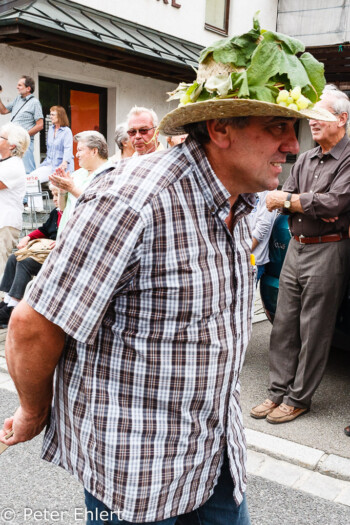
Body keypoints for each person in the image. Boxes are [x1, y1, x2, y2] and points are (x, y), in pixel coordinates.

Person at [0, 20, 335, 525]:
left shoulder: (239, 201)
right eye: (277, 127)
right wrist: (33, 411)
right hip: (137, 474)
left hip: (214, 454)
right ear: (220, 129)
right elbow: (34, 324)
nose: (293, 145)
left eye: (296, 128)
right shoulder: (132, 200)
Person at [251, 85, 350, 425]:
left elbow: (335, 204)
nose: (311, 121)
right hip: (297, 245)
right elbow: (282, 200)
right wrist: (306, 203)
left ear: (342, 119)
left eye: (320, 116)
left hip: (329, 249)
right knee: (283, 326)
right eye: (310, 116)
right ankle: (277, 391)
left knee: (315, 329)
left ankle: (298, 399)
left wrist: (293, 201)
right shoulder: (306, 158)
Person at [0, 185, 61, 328]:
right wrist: (27, 237)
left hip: (56, 256)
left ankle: (13, 306)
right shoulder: (55, 212)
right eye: (53, 196)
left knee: (25, 262)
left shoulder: (69, 213)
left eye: (57, 196)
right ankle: (7, 298)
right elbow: (44, 230)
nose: (55, 200)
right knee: (15, 257)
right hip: (45, 251)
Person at [49, 130, 115, 237]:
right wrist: (62, 190)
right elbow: (62, 208)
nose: (76, 154)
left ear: (94, 151)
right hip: (67, 236)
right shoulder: (78, 173)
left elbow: (100, 206)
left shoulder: (111, 173)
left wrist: (72, 189)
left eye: (80, 150)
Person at [0, 122, 30, 277]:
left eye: (1, 137)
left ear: (12, 145)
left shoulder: (13, 166)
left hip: (5, 223)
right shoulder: (5, 163)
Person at [0, 76, 43, 174]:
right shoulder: (17, 100)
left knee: (28, 172)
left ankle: (32, 190)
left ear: (28, 88)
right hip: (13, 142)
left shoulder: (35, 103)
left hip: (24, 143)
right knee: (13, 170)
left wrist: (23, 137)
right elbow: (3, 111)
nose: (17, 87)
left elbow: (40, 125)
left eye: (20, 85)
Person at [30, 106, 74, 184]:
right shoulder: (51, 129)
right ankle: (36, 197)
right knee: (31, 179)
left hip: (61, 167)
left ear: (60, 115)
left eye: (53, 115)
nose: (50, 117)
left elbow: (68, 148)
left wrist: (64, 163)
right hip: (49, 164)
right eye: (50, 115)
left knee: (59, 191)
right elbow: (49, 149)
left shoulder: (67, 131)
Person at [250, 191, 278, 283]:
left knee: (246, 296)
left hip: (253, 260)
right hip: (238, 256)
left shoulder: (269, 191)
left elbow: (262, 228)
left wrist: (243, 252)